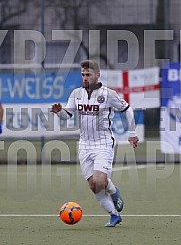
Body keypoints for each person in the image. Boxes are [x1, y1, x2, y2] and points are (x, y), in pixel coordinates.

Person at [51, 60, 139, 227]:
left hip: (103, 144)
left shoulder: (108, 94)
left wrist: (132, 133)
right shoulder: (76, 93)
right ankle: (114, 215)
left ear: (97, 75)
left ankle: (112, 190)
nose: (85, 78)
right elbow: (67, 115)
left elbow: (127, 109)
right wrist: (59, 112)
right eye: (83, 75)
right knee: (94, 185)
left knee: (99, 180)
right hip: (84, 145)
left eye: (88, 75)